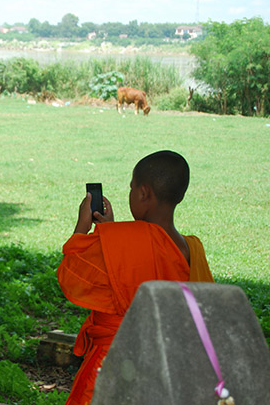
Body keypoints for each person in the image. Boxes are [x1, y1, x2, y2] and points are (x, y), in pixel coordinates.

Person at [57, 150, 215, 405]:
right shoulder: (192, 249)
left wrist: (83, 228)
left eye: (131, 188)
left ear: (143, 193)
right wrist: (110, 233)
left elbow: (70, 277)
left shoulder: (119, 240)